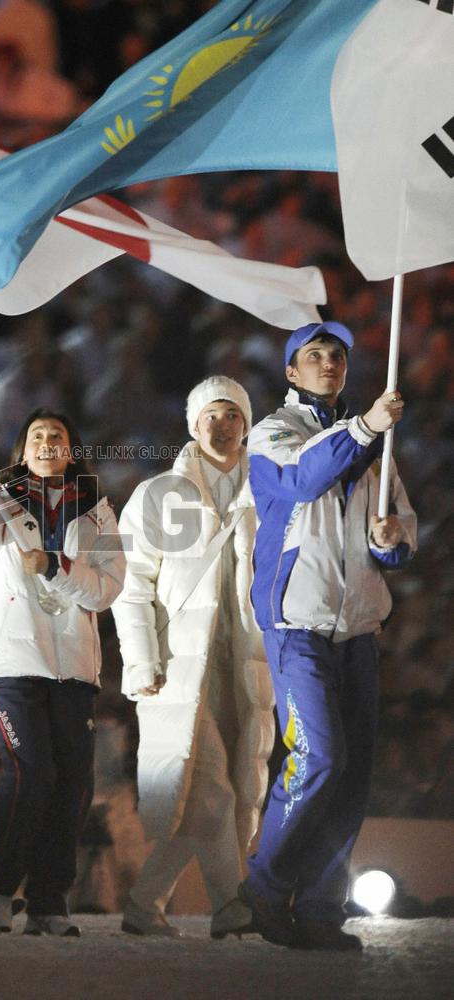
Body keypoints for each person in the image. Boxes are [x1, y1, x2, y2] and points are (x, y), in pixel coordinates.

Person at [238, 321, 417, 950]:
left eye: (337, 354)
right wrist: (366, 427)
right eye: (313, 356)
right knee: (320, 758)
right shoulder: (274, 432)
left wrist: (389, 541)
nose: (328, 363)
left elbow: (395, 524)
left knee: (352, 774)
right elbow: (299, 482)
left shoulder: (375, 444)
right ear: (291, 373)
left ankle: (319, 907)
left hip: (359, 628)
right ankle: (262, 886)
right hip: (297, 625)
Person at [112, 376, 274, 940]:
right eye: (211, 414)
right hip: (178, 664)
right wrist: (140, 659)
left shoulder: (272, 490)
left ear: (247, 423)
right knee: (211, 787)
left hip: (245, 665)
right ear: (191, 423)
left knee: (213, 794)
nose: (221, 424)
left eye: (232, 414)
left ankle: (143, 905)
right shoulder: (157, 495)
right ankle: (232, 905)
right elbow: (129, 584)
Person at [0, 407, 125, 935]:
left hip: (74, 666)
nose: (47, 441)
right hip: (17, 664)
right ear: (21, 451)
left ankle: (50, 899)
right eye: (36, 435)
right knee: (32, 773)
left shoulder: (94, 507)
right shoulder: (2, 500)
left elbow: (108, 586)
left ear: (70, 450)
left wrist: (57, 567)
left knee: (72, 782)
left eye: (57, 435)